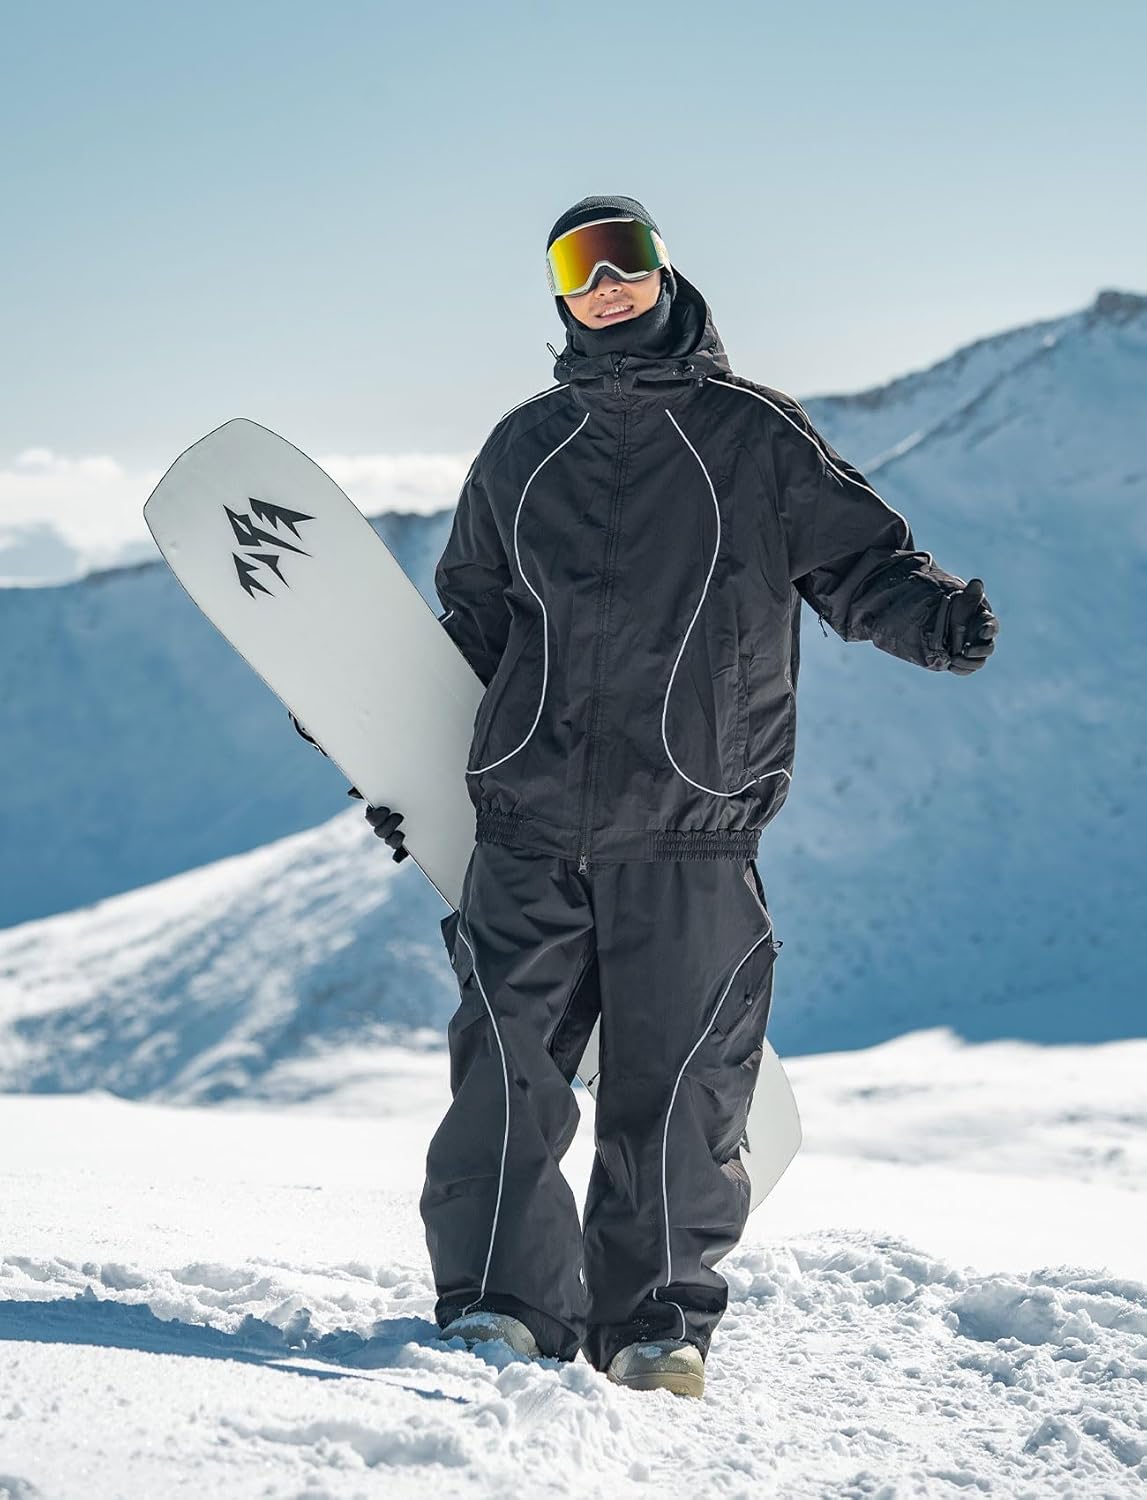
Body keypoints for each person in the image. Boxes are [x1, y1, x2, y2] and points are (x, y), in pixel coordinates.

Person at [302, 194, 998, 1397]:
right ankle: (501, 1307)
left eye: (625, 258)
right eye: (581, 266)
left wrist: (928, 616)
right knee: (506, 1075)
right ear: (559, 294)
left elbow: (855, 559)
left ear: (663, 273)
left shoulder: (752, 434)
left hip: (690, 826)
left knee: (678, 1089)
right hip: (526, 818)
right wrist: (393, 753)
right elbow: (470, 628)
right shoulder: (523, 448)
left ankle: (655, 1326)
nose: (606, 282)